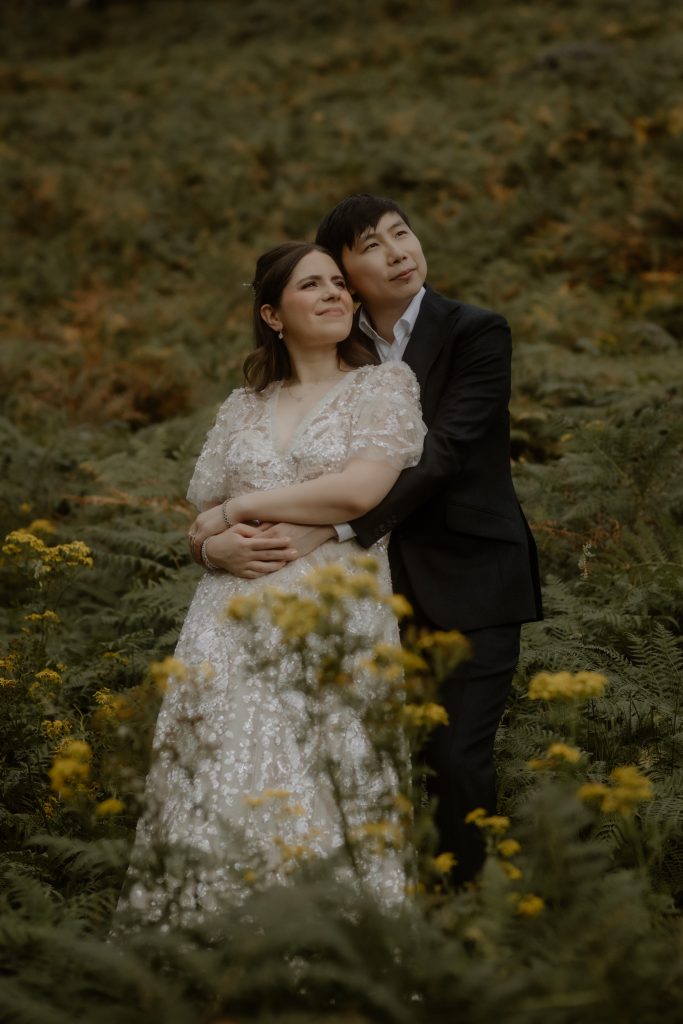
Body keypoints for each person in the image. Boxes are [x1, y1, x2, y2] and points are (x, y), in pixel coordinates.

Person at [201, 196, 543, 886]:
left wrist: (332, 526)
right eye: (372, 246)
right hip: (350, 599)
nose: (398, 253)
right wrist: (211, 546)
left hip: (464, 579)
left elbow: (440, 455)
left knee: (454, 759)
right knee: (358, 762)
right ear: (345, 273)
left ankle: (465, 914)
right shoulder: (333, 352)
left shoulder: (475, 332)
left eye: (402, 235)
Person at [115, 241, 426, 928]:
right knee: (217, 770)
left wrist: (237, 510)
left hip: (334, 606)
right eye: (311, 286)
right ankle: (204, 940)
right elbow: (198, 515)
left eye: (340, 285)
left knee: (324, 767)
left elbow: (359, 490)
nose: (334, 295)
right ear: (272, 313)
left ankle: (332, 951)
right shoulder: (244, 404)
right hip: (227, 615)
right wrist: (211, 544)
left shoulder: (383, 386)